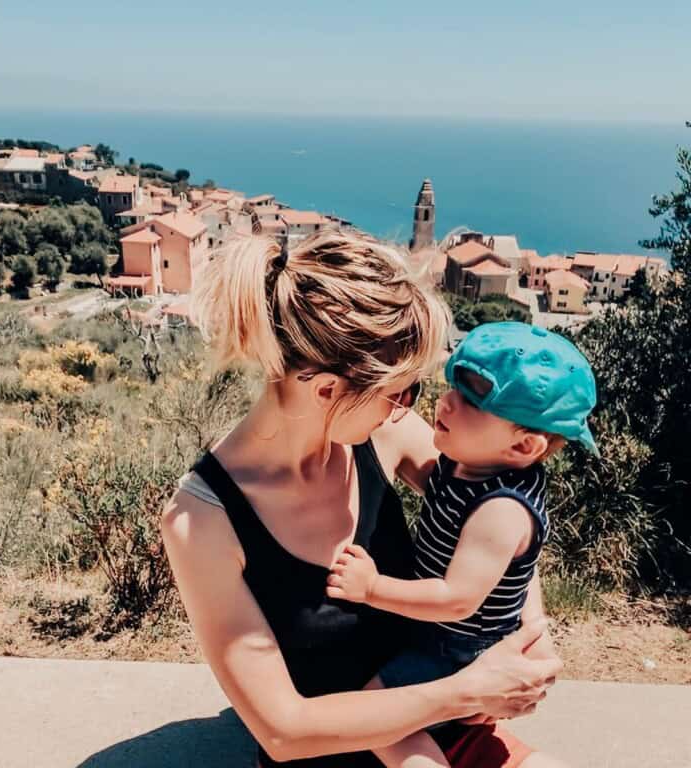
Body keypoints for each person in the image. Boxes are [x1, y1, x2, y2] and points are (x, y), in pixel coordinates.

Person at [161, 232, 564, 768]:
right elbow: (282, 730)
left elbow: (497, 515)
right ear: (327, 390)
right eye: (401, 393)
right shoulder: (203, 520)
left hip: (447, 726)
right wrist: (468, 689)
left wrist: (528, 636)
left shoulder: (383, 432)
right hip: (331, 754)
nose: (408, 410)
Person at [327, 322, 598, 767]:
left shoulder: (501, 509)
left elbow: (456, 600)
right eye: (453, 386)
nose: (446, 402)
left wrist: (371, 588)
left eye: (472, 402)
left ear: (523, 445)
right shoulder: (468, 462)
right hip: (440, 636)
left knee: (379, 712)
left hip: (457, 648)